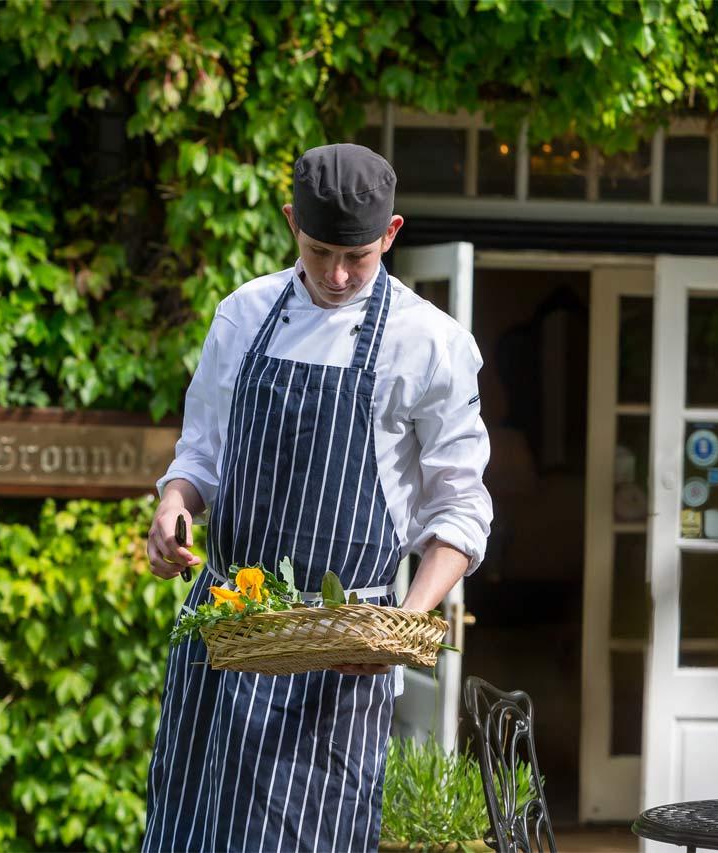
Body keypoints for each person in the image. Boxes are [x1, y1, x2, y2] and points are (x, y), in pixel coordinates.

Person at [141, 143, 492, 853]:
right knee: (187, 834)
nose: (336, 274)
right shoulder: (244, 314)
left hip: (341, 658)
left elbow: (460, 508)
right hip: (224, 636)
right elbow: (201, 453)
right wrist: (173, 502)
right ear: (289, 224)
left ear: (391, 234)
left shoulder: (430, 343)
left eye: (356, 257)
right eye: (319, 250)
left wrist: (401, 625)